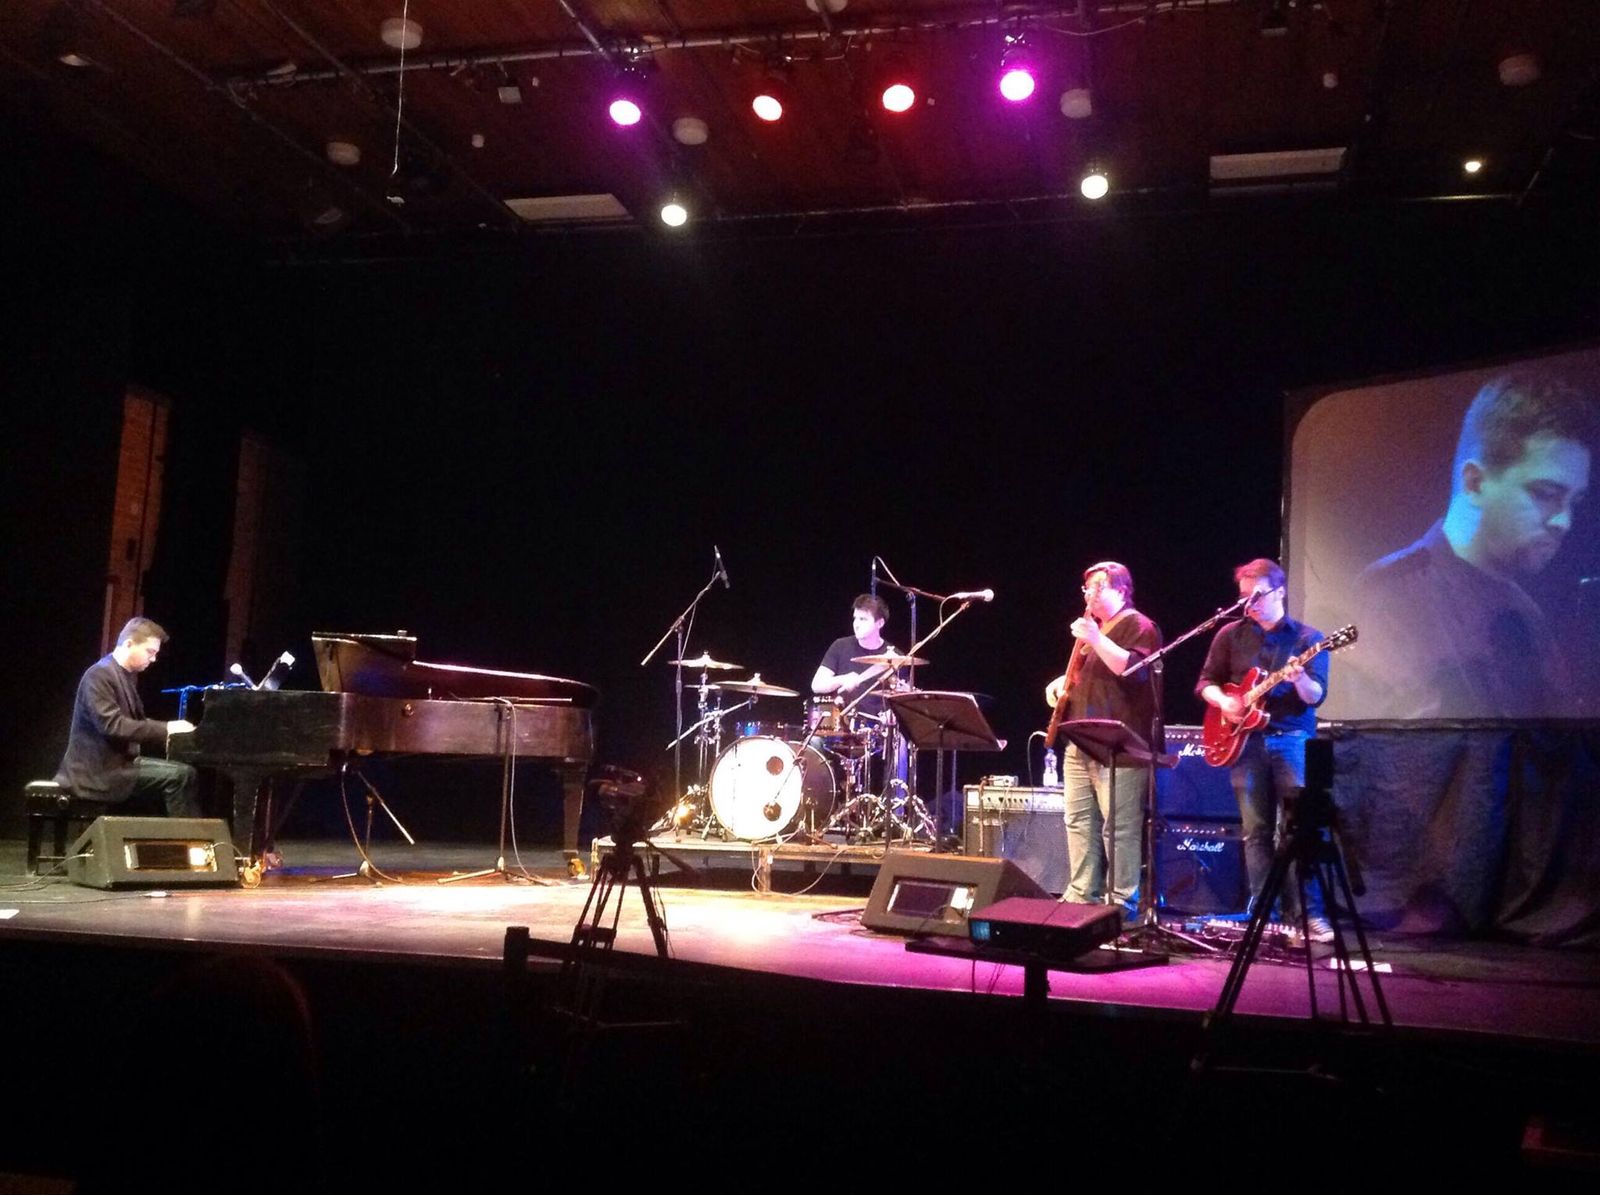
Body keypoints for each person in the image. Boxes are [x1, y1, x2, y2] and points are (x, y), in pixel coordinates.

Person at [1354, 373, 1596, 718]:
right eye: (1545, 494)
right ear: (1475, 483)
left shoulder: (1528, 615)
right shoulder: (1390, 592)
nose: (1564, 521)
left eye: (1574, 501)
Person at [1196, 559, 1332, 940]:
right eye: (1244, 597)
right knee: (1255, 831)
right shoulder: (1229, 635)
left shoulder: (1308, 638)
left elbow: (1316, 696)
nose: (1249, 604)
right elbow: (1206, 682)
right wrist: (1224, 702)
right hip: (1246, 742)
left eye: (1257, 596)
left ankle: (1308, 914)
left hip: (1291, 739)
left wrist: (1300, 678)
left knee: (1298, 829)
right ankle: (1263, 913)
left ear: (1280, 592)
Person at [1042, 562, 1161, 910]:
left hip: (1119, 747)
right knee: (1078, 821)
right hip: (1081, 742)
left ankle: (1122, 903)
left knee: (1119, 828)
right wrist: (1061, 685)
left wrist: (1095, 638)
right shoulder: (1096, 630)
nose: (1089, 595)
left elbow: (1132, 669)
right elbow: (1091, 678)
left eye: (1098, 587)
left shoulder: (1139, 625)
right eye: (1087, 589)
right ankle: (1081, 895)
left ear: (1121, 590)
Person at [55, 617, 199, 817]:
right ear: (129, 644)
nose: (153, 659)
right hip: (97, 773)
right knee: (179, 777)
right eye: (150, 652)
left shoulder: (120, 675)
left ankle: (185, 835)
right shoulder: (99, 675)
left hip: (117, 765)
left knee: (187, 773)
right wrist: (167, 729)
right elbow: (113, 725)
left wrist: (168, 734)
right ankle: (185, 837)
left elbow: (135, 724)